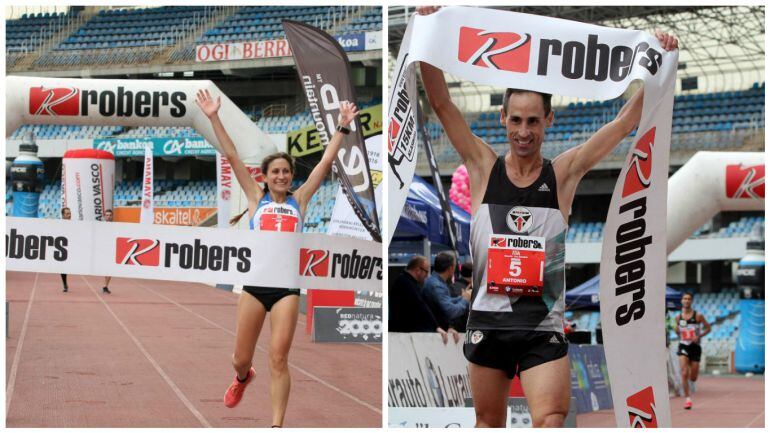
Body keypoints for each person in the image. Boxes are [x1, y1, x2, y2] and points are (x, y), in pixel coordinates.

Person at [417, 6, 679, 427]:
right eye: (516, 120)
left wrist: (657, 63)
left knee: (551, 420)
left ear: (548, 121)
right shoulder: (483, 166)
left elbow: (624, 121)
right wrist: (429, 33)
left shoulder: (564, 174)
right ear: (503, 119)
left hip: (542, 326)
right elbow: (441, 102)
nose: (524, 131)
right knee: (488, 423)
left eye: (534, 121)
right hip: (488, 322)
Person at [195, 89, 358, 428]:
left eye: (286, 172)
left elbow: (326, 162)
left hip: (286, 289)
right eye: (275, 172)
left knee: (280, 357)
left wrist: (342, 128)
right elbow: (232, 155)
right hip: (255, 288)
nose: (281, 176)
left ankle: (277, 424)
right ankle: (242, 378)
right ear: (266, 177)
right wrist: (213, 117)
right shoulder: (257, 200)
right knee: (240, 358)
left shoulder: (300, 201)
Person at [390, 255, 458, 344]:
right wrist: (436, 327)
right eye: (426, 272)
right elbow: (421, 307)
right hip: (403, 337)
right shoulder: (406, 283)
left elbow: (425, 307)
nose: (427, 276)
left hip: (405, 335)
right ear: (418, 270)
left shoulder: (408, 282)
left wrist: (444, 327)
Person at [674, 291, 711, 409]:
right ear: (681, 301)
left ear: (692, 301)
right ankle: (687, 399)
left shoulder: (698, 316)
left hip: (695, 347)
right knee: (684, 372)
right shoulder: (678, 317)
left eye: (689, 299)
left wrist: (698, 336)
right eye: (684, 298)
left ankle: (691, 378)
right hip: (683, 346)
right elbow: (677, 331)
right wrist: (677, 331)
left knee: (693, 377)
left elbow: (708, 328)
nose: (686, 300)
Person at [423, 251, 469, 333]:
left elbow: (446, 301)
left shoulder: (435, 282)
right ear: (451, 268)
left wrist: (463, 297)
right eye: (455, 266)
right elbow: (451, 311)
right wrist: (465, 300)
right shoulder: (437, 286)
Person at [102, 209, 113, 294]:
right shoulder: (100, 226)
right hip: (102, 249)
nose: (108, 217)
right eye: (107, 215)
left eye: (110, 215)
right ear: (104, 216)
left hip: (111, 250)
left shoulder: (115, 226)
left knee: (109, 270)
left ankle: (106, 286)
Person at [60, 207, 71, 292]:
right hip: (63, 248)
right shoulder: (59, 224)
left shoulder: (74, 224)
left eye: (69, 213)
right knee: (63, 267)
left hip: (72, 247)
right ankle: (65, 284)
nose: (69, 215)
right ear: (63, 215)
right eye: (67, 214)